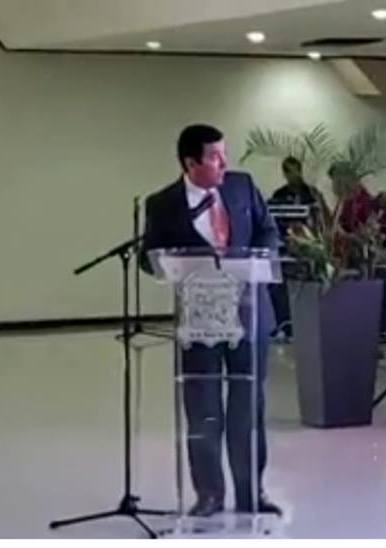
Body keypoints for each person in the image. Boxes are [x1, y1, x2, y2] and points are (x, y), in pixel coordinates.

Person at [138, 124, 282, 518]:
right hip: (199, 319)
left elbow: (269, 232)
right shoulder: (163, 203)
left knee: (247, 408)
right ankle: (209, 494)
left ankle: (251, 492)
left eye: (224, 154)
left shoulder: (242, 186)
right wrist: (173, 265)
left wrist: (259, 258)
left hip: (249, 313)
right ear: (190, 163)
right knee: (203, 410)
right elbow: (148, 257)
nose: (224, 163)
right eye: (215, 157)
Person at [268, 155, 329, 338]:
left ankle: (308, 324)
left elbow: (323, 219)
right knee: (280, 286)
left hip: (310, 249)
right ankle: (284, 324)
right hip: (286, 248)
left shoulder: (311, 194)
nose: (293, 175)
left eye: (295, 171)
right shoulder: (279, 195)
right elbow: (274, 220)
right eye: (288, 172)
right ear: (285, 173)